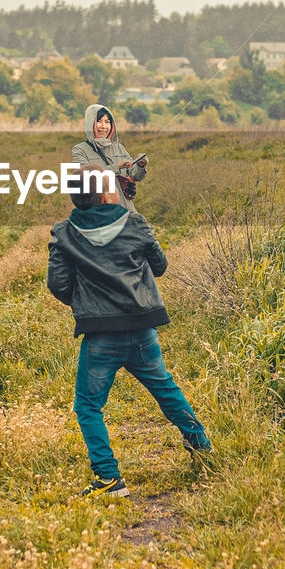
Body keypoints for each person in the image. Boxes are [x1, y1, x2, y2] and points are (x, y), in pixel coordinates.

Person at [47, 165, 211, 497]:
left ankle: (109, 479)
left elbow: (58, 284)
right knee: (165, 389)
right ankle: (203, 448)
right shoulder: (135, 224)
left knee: (88, 406)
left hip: (99, 336)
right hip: (141, 330)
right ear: (108, 193)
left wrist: (86, 302)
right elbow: (160, 267)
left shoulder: (64, 233)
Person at [72, 104, 147, 213]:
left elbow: (136, 176)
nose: (103, 126)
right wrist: (117, 167)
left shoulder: (119, 147)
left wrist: (140, 165)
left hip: (126, 211)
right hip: (99, 214)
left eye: (107, 122)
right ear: (90, 124)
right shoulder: (80, 150)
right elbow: (87, 179)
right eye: (98, 121)